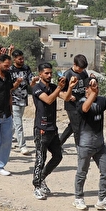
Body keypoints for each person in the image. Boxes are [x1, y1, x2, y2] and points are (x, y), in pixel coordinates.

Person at [73, 76, 106, 211]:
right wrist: (93, 93)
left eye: (98, 87)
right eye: (93, 87)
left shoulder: (101, 100)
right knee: (82, 172)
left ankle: (102, 199)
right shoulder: (81, 101)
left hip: (100, 145)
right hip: (85, 144)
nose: (97, 89)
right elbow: (85, 109)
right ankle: (78, 198)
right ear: (86, 89)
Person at [31, 63, 66, 200]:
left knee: (58, 156)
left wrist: (70, 87)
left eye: (50, 73)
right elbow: (49, 100)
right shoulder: (37, 88)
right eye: (46, 73)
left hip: (53, 129)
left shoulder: (52, 87)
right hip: (41, 129)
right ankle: (37, 186)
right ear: (40, 74)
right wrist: (59, 88)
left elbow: (66, 97)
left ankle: (42, 178)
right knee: (41, 158)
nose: (49, 75)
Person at [58, 54, 90, 150]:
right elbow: (60, 91)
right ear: (74, 64)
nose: (81, 70)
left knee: (73, 126)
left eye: (82, 69)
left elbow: (86, 87)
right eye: (79, 68)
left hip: (82, 103)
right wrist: (68, 95)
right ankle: (80, 149)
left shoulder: (84, 73)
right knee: (77, 128)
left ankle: (58, 144)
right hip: (71, 105)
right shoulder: (67, 74)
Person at [9, 49, 36, 155]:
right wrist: (17, 83)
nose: (22, 60)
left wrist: (33, 81)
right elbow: (10, 87)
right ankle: (22, 146)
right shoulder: (10, 70)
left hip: (23, 98)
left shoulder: (26, 68)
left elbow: (31, 84)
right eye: (20, 59)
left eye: (23, 58)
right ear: (14, 59)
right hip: (13, 99)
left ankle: (4, 138)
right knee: (19, 123)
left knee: (16, 123)